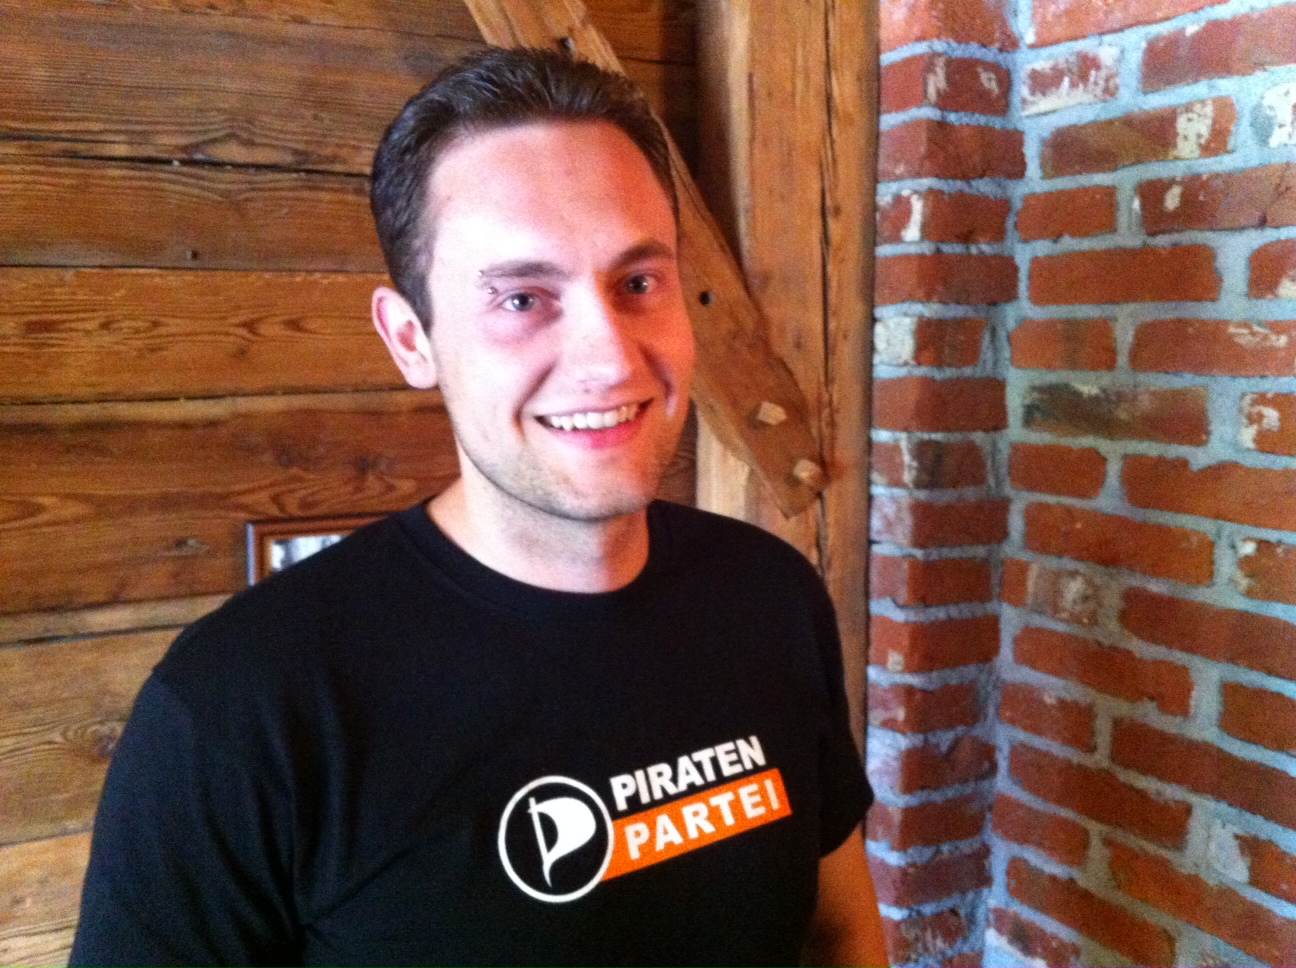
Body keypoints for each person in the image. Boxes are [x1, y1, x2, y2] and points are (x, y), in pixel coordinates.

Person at [71, 48, 887, 967]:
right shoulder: (239, 707)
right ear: (411, 339)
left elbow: (840, 930)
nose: (610, 357)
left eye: (638, 283)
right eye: (523, 298)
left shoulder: (769, 593)